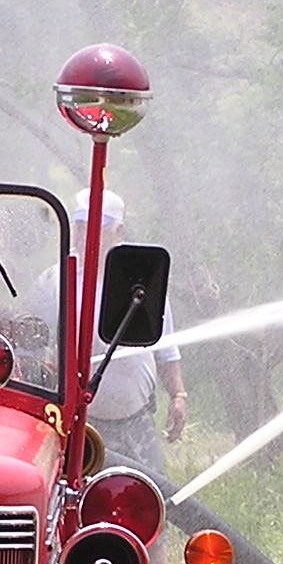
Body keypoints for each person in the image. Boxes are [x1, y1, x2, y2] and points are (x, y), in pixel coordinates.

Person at [74, 188, 188, 470]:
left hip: (136, 423)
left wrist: (178, 396)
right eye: (80, 227)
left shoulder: (144, 285)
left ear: (119, 230)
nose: (85, 236)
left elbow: (166, 350)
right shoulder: (55, 282)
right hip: (79, 426)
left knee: (149, 498)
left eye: (95, 228)